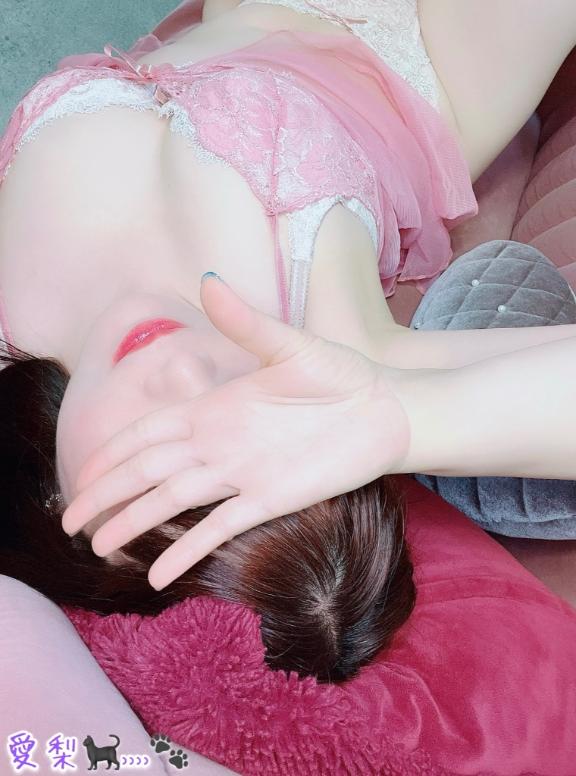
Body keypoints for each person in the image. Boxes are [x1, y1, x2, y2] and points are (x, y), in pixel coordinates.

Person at [1, 0, 575, 690]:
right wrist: (404, 419)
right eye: (228, 414)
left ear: (58, 508)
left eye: (150, 461)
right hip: (435, 53)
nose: (178, 368)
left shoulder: (14, 336)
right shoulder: (336, 362)